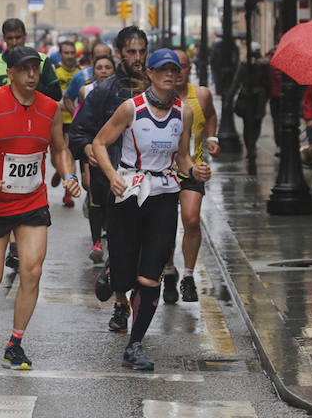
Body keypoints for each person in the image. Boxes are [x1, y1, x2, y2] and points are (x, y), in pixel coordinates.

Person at [0, 46, 81, 370]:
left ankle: (15, 344)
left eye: (35, 69)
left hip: (32, 201)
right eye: (23, 69)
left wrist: (67, 174)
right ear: (9, 72)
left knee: (33, 270)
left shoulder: (50, 108)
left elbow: (59, 149)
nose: (31, 75)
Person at [92, 48, 211, 370]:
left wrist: (195, 171)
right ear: (150, 73)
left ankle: (135, 345)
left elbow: (183, 156)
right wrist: (113, 175)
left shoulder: (184, 112)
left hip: (163, 197)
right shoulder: (131, 108)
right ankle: (113, 269)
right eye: (163, 70)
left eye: (174, 70)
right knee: (125, 275)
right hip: (130, 195)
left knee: (150, 276)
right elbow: (99, 143)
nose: (169, 75)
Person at [69, 26, 150, 334]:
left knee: (146, 248)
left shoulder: (156, 89)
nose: (138, 58)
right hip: (115, 181)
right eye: (131, 52)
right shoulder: (103, 92)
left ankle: (121, 275)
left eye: (142, 51)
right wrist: (89, 150)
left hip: (153, 184)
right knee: (120, 244)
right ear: (118, 53)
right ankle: (120, 306)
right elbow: (78, 132)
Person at [0, 18, 62, 270]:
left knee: (33, 269)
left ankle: (16, 245)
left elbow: (56, 93)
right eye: (10, 38)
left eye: (19, 37)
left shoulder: (41, 60)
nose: (15, 42)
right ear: (4, 39)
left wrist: (30, 99)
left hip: (30, 130)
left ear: (25, 36)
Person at [160, 50, 220, 304]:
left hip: (192, 168)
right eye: (172, 68)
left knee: (192, 220)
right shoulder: (159, 99)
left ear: (189, 69)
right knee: (164, 227)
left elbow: (211, 116)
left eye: (182, 67)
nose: (177, 73)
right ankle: (169, 272)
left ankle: (187, 275)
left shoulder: (202, 95)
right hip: (162, 171)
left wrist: (213, 138)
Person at [76, 54, 116, 262]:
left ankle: (110, 236)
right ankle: (96, 243)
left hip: (114, 151)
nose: (103, 71)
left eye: (108, 67)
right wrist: (83, 159)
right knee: (94, 194)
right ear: (93, 72)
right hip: (91, 151)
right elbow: (80, 126)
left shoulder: (120, 92)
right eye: (99, 67)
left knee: (112, 196)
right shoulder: (87, 92)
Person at [228, 42, 271, 163]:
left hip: (249, 96)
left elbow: (237, 81)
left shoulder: (246, 64)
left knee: (249, 123)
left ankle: (250, 146)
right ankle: (251, 145)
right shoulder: (262, 64)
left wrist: (230, 96)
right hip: (256, 97)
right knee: (255, 122)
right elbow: (268, 83)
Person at [52, 39, 82, 208]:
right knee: (55, 155)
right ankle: (58, 169)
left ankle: (68, 194)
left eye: (72, 53)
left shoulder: (80, 73)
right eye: (67, 53)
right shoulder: (54, 71)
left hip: (73, 119)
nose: (70, 56)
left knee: (69, 156)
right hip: (55, 118)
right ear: (61, 54)